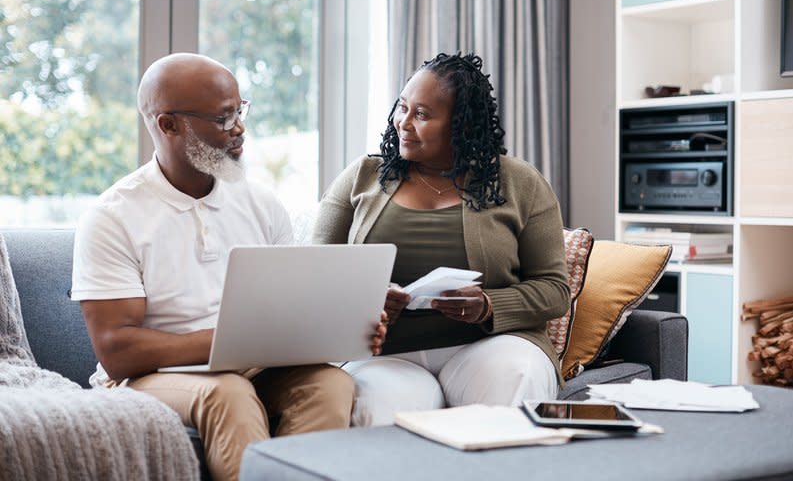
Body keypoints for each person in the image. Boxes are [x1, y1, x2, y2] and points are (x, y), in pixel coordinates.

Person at [71, 53, 386, 481]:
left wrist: (346, 326)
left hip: (257, 365)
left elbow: (290, 308)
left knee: (330, 385)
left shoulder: (260, 203)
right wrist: (225, 342)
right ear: (168, 124)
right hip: (154, 378)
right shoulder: (113, 216)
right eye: (223, 118)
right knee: (229, 392)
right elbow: (118, 353)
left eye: (240, 110)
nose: (239, 128)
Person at [313, 52, 570, 427]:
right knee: (374, 413)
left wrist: (488, 305)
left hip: (488, 345)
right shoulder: (362, 177)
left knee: (516, 378)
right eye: (402, 108)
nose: (403, 123)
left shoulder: (520, 183)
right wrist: (365, 299)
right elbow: (315, 274)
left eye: (422, 114)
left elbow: (554, 290)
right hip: (388, 354)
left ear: (461, 126)